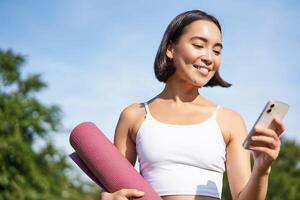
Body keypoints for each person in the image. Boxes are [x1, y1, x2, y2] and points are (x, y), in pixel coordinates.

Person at [101, 10, 285, 200]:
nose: (209, 57)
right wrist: (110, 197)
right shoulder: (134, 116)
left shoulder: (230, 120)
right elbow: (115, 186)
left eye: (216, 50)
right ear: (170, 49)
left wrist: (262, 169)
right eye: (199, 45)